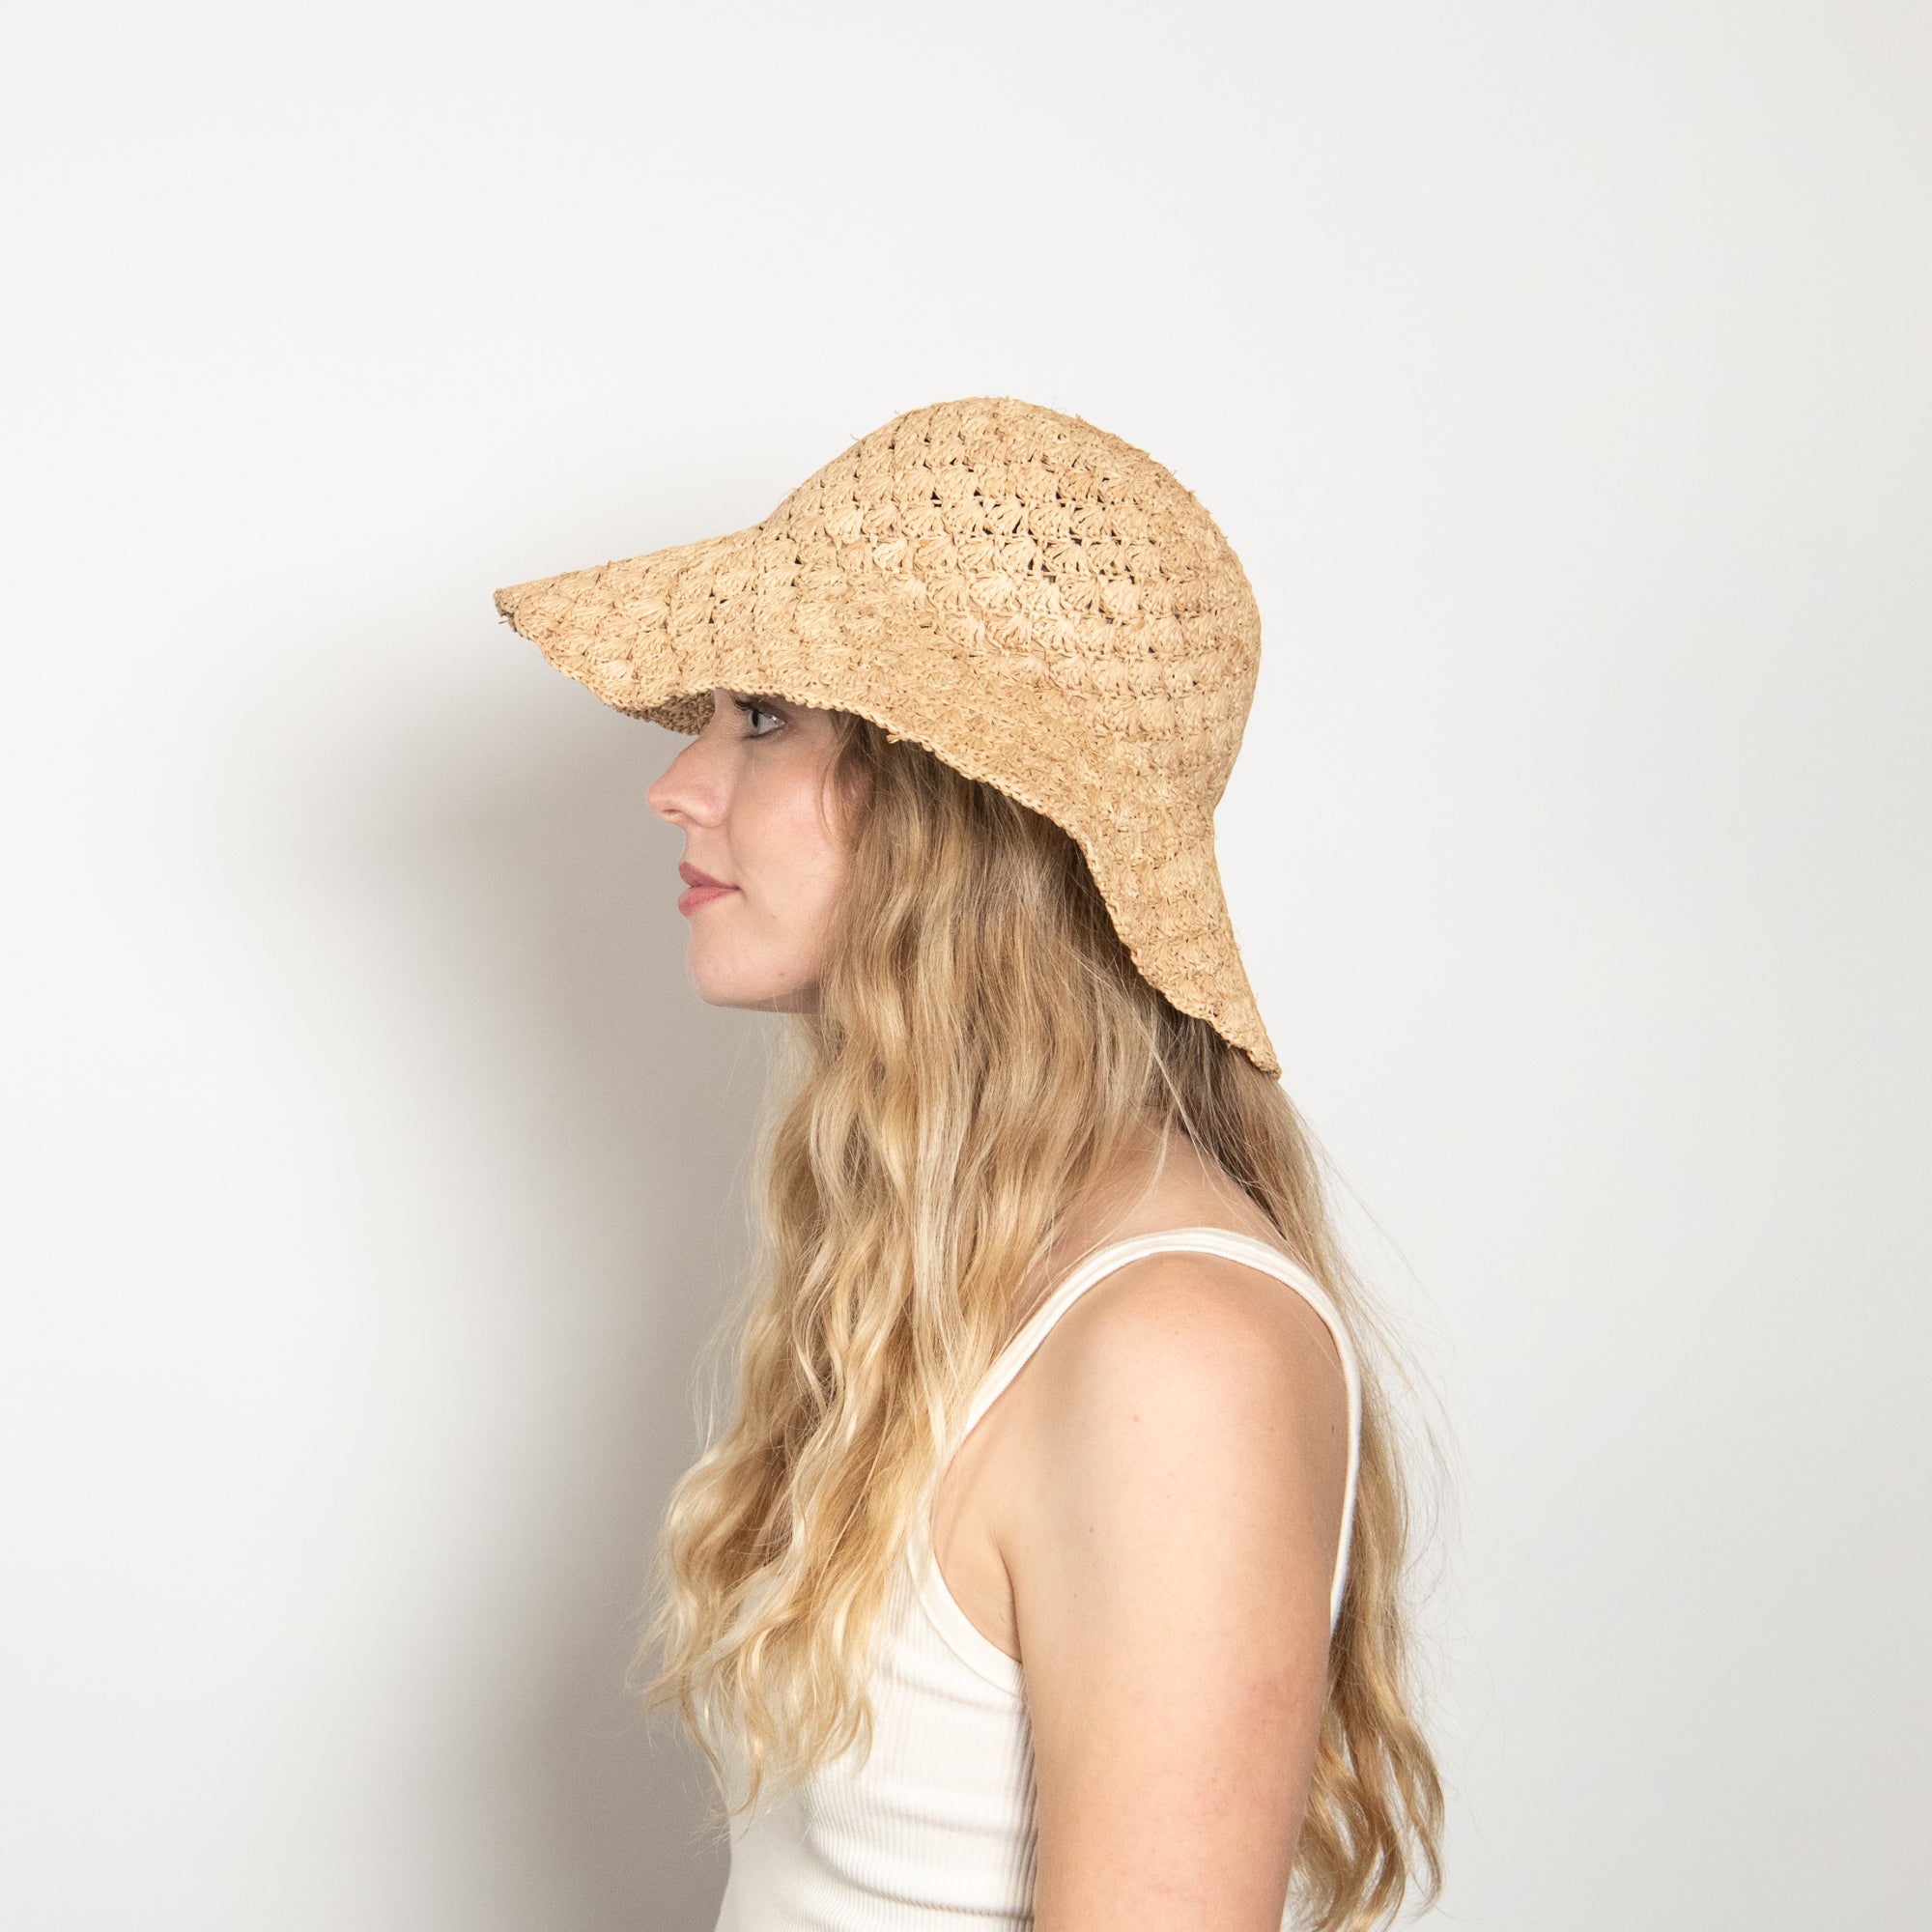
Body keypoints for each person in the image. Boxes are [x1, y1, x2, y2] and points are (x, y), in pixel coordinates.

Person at [495, 397, 1444, 1930]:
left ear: (955, 798)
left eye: (764, 718)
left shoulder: (1176, 1348)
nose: (678, 785)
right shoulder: (945, 1268)